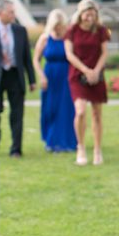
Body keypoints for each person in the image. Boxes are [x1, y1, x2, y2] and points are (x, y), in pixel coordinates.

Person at [65, 0, 110, 166]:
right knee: (81, 111)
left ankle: (97, 150)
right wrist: (86, 70)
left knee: (97, 113)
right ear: (80, 13)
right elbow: (69, 54)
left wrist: (96, 71)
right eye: (87, 13)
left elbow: (104, 53)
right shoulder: (72, 30)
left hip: (96, 74)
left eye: (93, 13)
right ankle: (81, 147)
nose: (90, 17)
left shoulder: (101, 30)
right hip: (78, 74)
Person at [0, 0, 36, 158]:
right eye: (11, 12)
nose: (14, 15)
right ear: (1, 12)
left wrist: (31, 80)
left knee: (17, 114)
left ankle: (16, 149)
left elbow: (27, 57)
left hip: (15, 76)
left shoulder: (20, 30)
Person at [33, 9, 77, 152]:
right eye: (55, 26)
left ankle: (67, 141)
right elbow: (36, 60)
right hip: (50, 77)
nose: (58, 29)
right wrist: (41, 76)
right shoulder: (45, 39)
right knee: (50, 108)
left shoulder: (68, 38)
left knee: (66, 108)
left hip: (66, 76)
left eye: (60, 26)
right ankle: (50, 140)